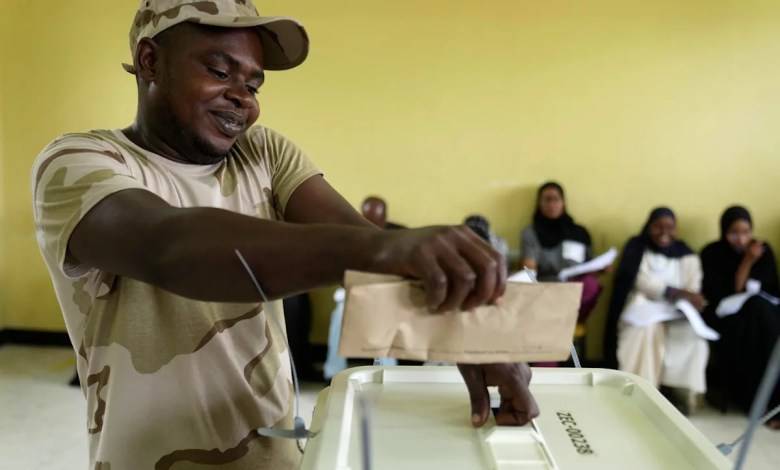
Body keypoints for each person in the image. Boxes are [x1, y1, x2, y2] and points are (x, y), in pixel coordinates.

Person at [30, 1, 537, 468]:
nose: (242, 99)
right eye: (218, 70)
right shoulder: (80, 162)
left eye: (253, 85)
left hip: (280, 456)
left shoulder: (264, 154)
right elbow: (171, 246)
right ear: (149, 61)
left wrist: (472, 341)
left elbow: (368, 257)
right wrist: (387, 245)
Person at [604, 207, 708, 414]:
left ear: (676, 229)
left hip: (675, 309)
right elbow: (640, 280)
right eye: (658, 226)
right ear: (648, 226)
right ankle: (643, 392)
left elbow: (693, 287)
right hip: (644, 303)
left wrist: (685, 297)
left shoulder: (686, 255)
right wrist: (675, 291)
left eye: (669, 227)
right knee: (645, 331)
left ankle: (681, 396)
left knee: (694, 338)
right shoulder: (637, 247)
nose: (663, 232)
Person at [700, 206, 780, 429]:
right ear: (724, 231)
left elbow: (772, 289)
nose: (741, 239)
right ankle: (757, 402)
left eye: (746, 232)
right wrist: (747, 261)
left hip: (763, 315)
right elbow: (727, 292)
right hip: (728, 317)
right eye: (734, 233)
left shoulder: (763, 249)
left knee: (765, 319)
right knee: (757, 319)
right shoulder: (712, 253)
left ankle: (775, 403)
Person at [520, 182, 603, 322]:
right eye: (547, 199)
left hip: (575, 291)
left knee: (591, 284)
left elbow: (591, 267)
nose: (552, 204)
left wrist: (602, 268)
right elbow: (530, 270)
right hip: (546, 289)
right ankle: (553, 321)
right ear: (539, 204)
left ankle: (563, 321)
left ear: (563, 202)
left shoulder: (579, 232)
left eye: (556, 199)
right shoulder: (531, 232)